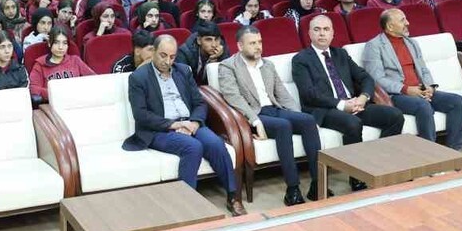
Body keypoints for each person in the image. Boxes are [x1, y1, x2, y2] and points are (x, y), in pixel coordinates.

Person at [123, 34, 246, 217]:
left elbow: (199, 103)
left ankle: (233, 196)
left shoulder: (183, 71)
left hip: (189, 123)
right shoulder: (138, 78)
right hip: (160, 130)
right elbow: (141, 115)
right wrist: (174, 125)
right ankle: (187, 205)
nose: (167, 61)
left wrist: (195, 123)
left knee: (216, 143)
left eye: (172, 57)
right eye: (163, 55)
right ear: (154, 52)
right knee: (193, 147)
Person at [292, 16, 405, 190]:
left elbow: (365, 77)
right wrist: (342, 105)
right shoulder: (301, 59)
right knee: (353, 123)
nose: (322, 33)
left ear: (332, 34)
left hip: (355, 103)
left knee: (395, 116)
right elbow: (309, 94)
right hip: (325, 109)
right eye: (317, 29)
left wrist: (363, 97)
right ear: (309, 33)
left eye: (326, 29)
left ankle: (380, 166)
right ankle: (357, 176)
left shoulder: (341, 54)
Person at [217, 26, 323, 205]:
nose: (258, 47)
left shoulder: (267, 65)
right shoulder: (227, 66)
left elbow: (282, 94)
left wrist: (299, 115)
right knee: (283, 126)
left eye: (259, 42)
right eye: (252, 43)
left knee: (308, 120)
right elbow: (233, 97)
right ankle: (293, 189)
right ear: (240, 46)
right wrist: (255, 120)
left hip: (275, 109)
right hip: (253, 114)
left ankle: (317, 184)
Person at [362, 9, 462, 150]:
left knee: (457, 102)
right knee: (423, 106)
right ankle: (430, 154)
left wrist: (430, 87)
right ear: (390, 27)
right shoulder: (374, 46)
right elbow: (377, 79)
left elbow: (423, 69)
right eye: (402, 20)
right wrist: (406, 89)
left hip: (420, 90)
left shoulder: (411, 42)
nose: (408, 23)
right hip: (396, 95)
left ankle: (455, 150)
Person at [29, 26, 94, 102]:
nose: (61, 47)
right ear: (49, 43)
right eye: (56, 43)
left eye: (64, 43)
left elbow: (94, 79)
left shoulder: (75, 60)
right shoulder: (40, 65)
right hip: (52, 104)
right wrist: (56, 94)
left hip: (76, 101)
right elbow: (33, 88)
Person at [176, 20, 225, 85]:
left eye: (216, 39)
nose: (214, 45)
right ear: (199, 40)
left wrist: (215, 63)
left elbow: (226, 79)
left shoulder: (221, 49)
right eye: (208, 40)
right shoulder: (184, 52)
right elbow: (184, 82)